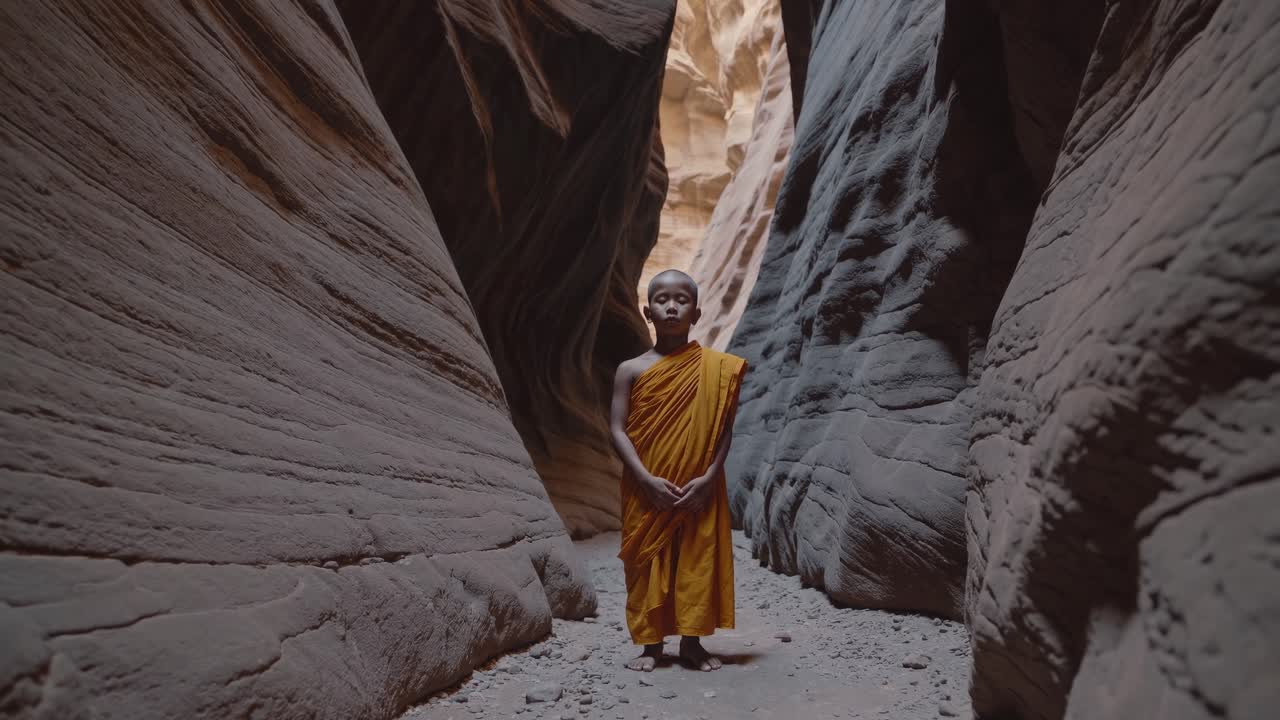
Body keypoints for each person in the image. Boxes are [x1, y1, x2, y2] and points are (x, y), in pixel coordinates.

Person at [610, 269, 749, 672]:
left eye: (682, 300)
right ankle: (651, 646)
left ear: (697, 312)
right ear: (647, 312)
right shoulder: (630, 370)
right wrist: (644, 478)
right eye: (662, 300)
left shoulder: (718, 371)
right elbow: (617, 428)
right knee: (645, 560)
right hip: (645, 483)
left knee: (696, 558)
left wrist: (708, 479)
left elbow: (724, 431)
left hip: (698, 486)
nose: (672, 306)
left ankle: (692, 643)